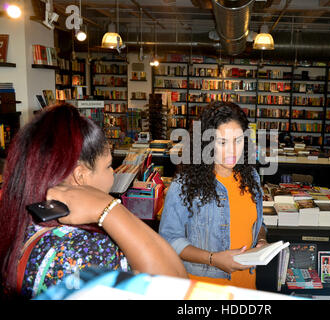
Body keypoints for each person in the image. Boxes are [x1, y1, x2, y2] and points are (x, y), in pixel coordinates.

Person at [0, 103, 187, 299]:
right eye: (108, 166)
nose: (113, 172)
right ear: (80, 176)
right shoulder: (86, 251)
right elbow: (176, 287)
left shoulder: (20, 222)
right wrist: (108, 208)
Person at [159, 101, 266, 289]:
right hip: (205, 288)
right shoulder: (185, 185)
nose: (233, 150)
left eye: (238, 140)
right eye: (222, 142)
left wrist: (262, 241)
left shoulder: (252, 178)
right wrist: (213, 259)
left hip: (247, 286)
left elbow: (258, 224)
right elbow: (169, 239)